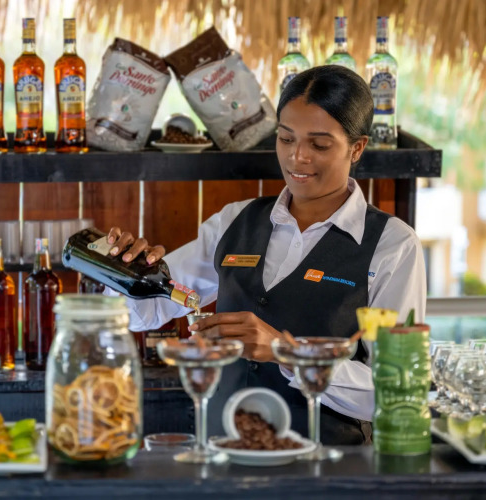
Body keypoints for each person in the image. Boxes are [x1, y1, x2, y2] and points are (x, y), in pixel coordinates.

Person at [103, 65, 426, 445]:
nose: (297, 157)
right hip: (224, 457)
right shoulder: (234, 222)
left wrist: (288, 353)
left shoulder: (392, 245)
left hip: (326, 466)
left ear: (356, 148)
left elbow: (398, 393)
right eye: (286, 139)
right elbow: (141, 312)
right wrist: (123, 271)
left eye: (319, 145)